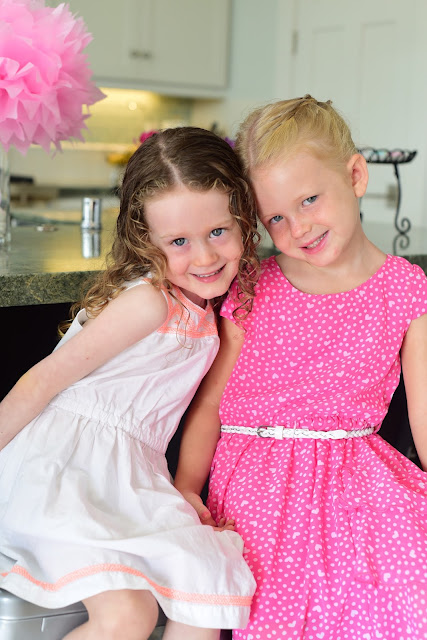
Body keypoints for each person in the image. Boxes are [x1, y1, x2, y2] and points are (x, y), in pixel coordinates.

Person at [174, 97, 427, 640]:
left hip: (357, 488)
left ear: (355, 175)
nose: (299, 227)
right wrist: (185, 490)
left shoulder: (405, 289)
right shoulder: (253, 285)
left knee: (404, 591)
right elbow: (212, 403)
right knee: (276, 609)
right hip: (257, 488)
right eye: (276, 219)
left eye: (310, 199)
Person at [0, 127, 259, 640]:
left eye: (218, 232)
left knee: (206, 586)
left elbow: (207, 406)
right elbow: (44, 380)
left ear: (244, 221)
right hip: (66, 474)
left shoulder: (209, 311)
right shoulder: (148, 302)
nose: (204, 257)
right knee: (127, 616)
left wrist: (186, 489)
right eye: (179, 241)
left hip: (128, 479)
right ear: (146, 241)